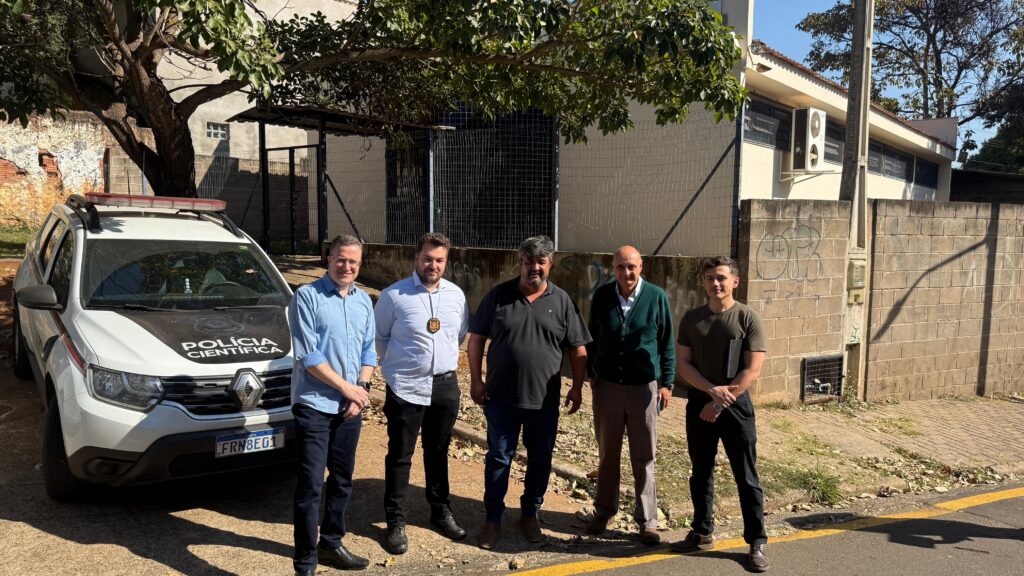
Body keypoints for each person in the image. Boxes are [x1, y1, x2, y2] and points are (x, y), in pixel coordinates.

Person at [468, 236, 591, 550]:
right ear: (519, 262)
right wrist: (476, 380)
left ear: (550, 264)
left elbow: (578, 349)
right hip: (500, 398)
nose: (534, 267)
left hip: (543, 401)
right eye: (528, 261)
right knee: (499, 457)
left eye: (541, 261)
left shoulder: (562, 301)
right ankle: (492, 518)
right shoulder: (499, 296)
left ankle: (530, 513)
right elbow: (476, 339)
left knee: (540, 459)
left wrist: (577, 387)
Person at [670, 256, 769, 572]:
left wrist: (721, 401)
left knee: (746, 475)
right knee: (700, 471)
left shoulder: (747, 318)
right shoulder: (692, 319)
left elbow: (752, 369)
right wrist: (711, 392)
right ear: (704, 282)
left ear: (734, 282)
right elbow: (684, 364)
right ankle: (702, 532)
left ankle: (756, 541)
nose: (716, 283)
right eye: (710, 278)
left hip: (736, 405)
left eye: (722, 278)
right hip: (701, 402)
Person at [374, 233, 470, 554]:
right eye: (428, 258)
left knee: (438, 451)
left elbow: (458, 334)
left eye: (439, 260)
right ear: (416, 258)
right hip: (406, 387)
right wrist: (397, 370)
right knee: (400, 456)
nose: (433, 265)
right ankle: (395, 521)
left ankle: (440, 511)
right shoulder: (393, 296)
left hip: (444, 386)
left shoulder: (456, 295)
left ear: (446, 262)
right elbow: (379, 338)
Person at [289, 235, 375, 575]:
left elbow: (369, 351)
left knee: (342, 479)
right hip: (314, 404)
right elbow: (309, 356)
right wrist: (347, 389)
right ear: (329, 259)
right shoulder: (306, 297)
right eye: (341, 259)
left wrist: (361, 390)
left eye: (353, 261)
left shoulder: (363, 301)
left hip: (350, 407)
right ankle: (305, 561)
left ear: (360, 264)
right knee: (311, 486)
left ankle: (331, 542)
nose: (346, 266)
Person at [585, 246, 676, 545]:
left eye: (632, 266)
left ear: (641, 267)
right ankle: (604, 511)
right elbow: (592, 336)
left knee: (644, 455)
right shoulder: (602, 296)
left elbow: (667, 341)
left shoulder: (656, 297)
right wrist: (592, 372)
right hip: (607, 388)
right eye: (621, 267)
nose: (627, 272)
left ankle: (648, 520)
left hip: (643, 389)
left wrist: (667, 382)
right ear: (613, 268)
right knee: (607, 454)